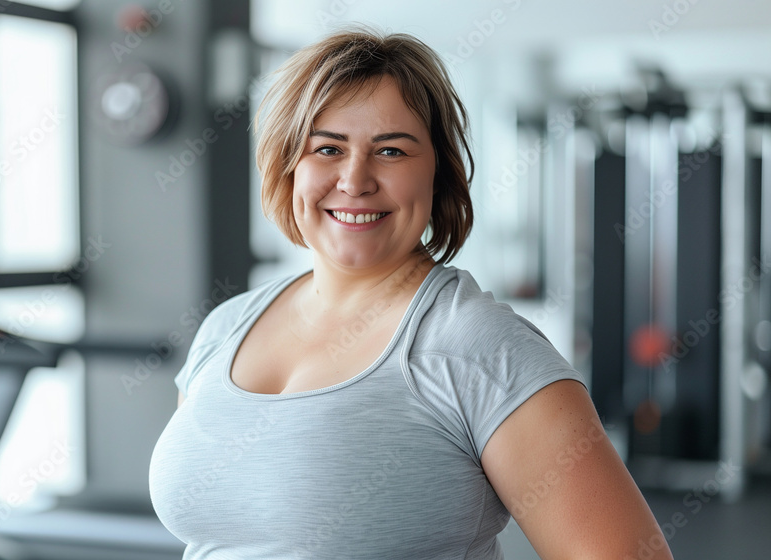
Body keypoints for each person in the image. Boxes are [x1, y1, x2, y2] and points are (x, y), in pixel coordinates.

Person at [149, 25, 673, 559]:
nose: (355, 180)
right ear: (286, 166)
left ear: (439, 174)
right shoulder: (225, 328)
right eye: (327, 148)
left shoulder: (481, 349)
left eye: (391, 151)